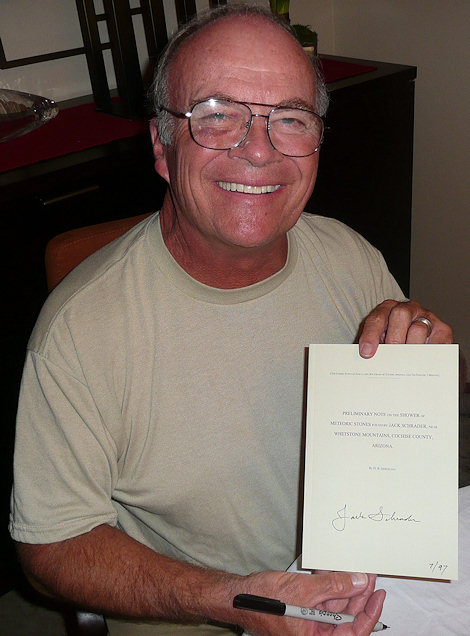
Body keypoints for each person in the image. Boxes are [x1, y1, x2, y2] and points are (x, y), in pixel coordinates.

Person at [9, 5, 453, 636]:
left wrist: (433, 354)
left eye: (290, 119)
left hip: (372, 594)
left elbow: (423, 407)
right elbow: (49, 549)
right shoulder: (81, 333)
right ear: (162, 144)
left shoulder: (348, 255)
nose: (259, 151)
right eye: (217, 116)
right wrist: (236, 600)